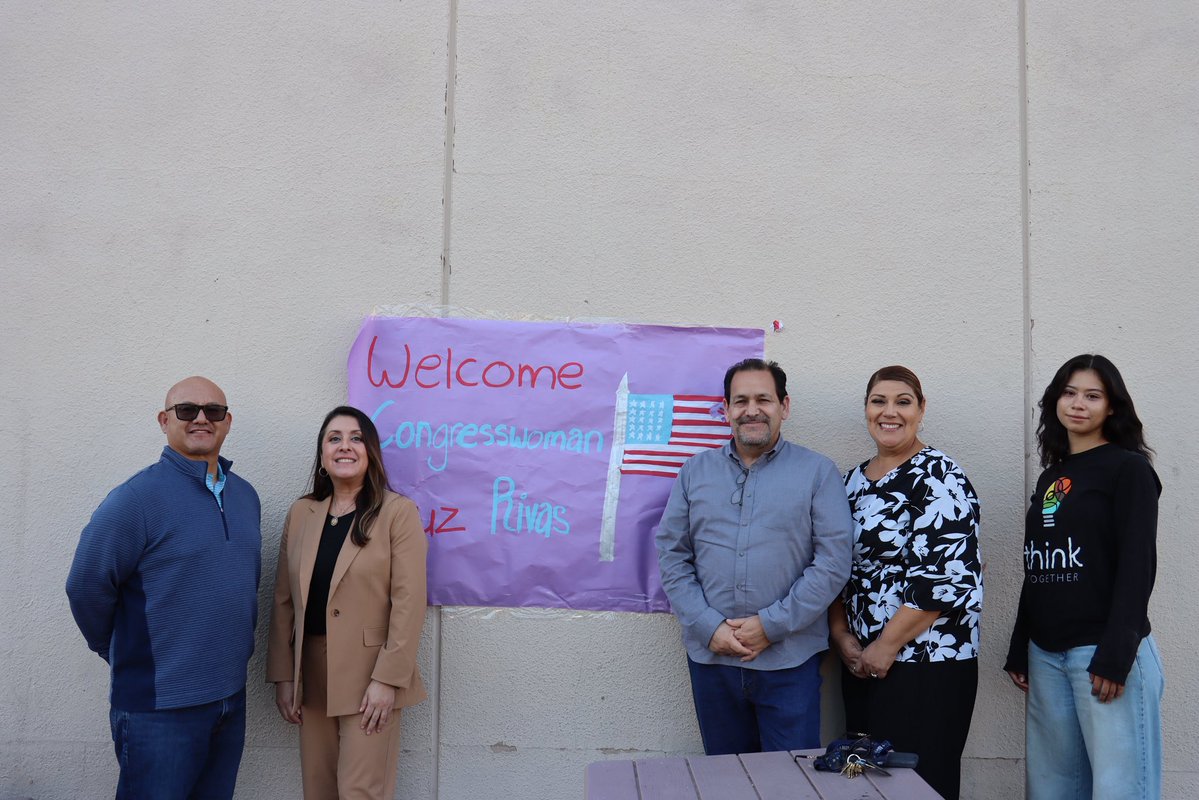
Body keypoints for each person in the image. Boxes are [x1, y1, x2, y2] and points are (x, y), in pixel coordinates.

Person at [66, 376, 261, 800]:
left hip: (229, 697)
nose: (201, 419)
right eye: (187, 410)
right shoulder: (135, 499)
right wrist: (118, 649)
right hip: (160, 707)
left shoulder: (246, 496)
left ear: (227, 421)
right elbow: (86, 587)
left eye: (213, 411)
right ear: (164, 420)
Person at [655, 358, 854, 755]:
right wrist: (709, 627)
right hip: (712, 661)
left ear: (784, 405)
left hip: (790, 663)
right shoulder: (694, 472)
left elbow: (833, 562)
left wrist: (771, 624)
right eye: (740, 399)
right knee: (727, 781)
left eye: (763, 398)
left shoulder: (818, 473)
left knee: (791, 782)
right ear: (726, 408)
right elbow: (672, 555)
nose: (752, 409)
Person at [1005, 354, 1164, 800]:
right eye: (1069, 393)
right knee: (1052, 789)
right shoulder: (1052, 477)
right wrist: (1022, 645)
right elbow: (1038, 562)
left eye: (1093, 396)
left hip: (1103, 656)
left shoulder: (1128, 469)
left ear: (1112, 407)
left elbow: (1138, 565)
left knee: (1120, 789)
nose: (1078, 404)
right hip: (1047, 656)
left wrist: (1117, 653)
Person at [827, 366, 982, 799]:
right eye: (878, 401)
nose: (889, 412)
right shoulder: (852, 482)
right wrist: (842, 636)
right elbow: (835, 565)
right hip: (861, 664)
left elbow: (944, 578)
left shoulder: (940, 476)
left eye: (902, 401)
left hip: (926, 665)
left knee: (919, 786)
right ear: (866, 409)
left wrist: (887, 645)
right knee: (866, 787)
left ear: (921, 408)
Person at [267, 405, 428, 800]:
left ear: (370, 451)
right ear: (322, 455)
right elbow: (284, 600)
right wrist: (285, 675)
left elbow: (409, 602)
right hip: (312, 673)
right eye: (333, 438)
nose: (345, 446)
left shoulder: (397, 513)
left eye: (356, 438)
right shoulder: (302, 513)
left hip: (369, 675)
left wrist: (388, 679)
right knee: (318, 790)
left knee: (360, 791)